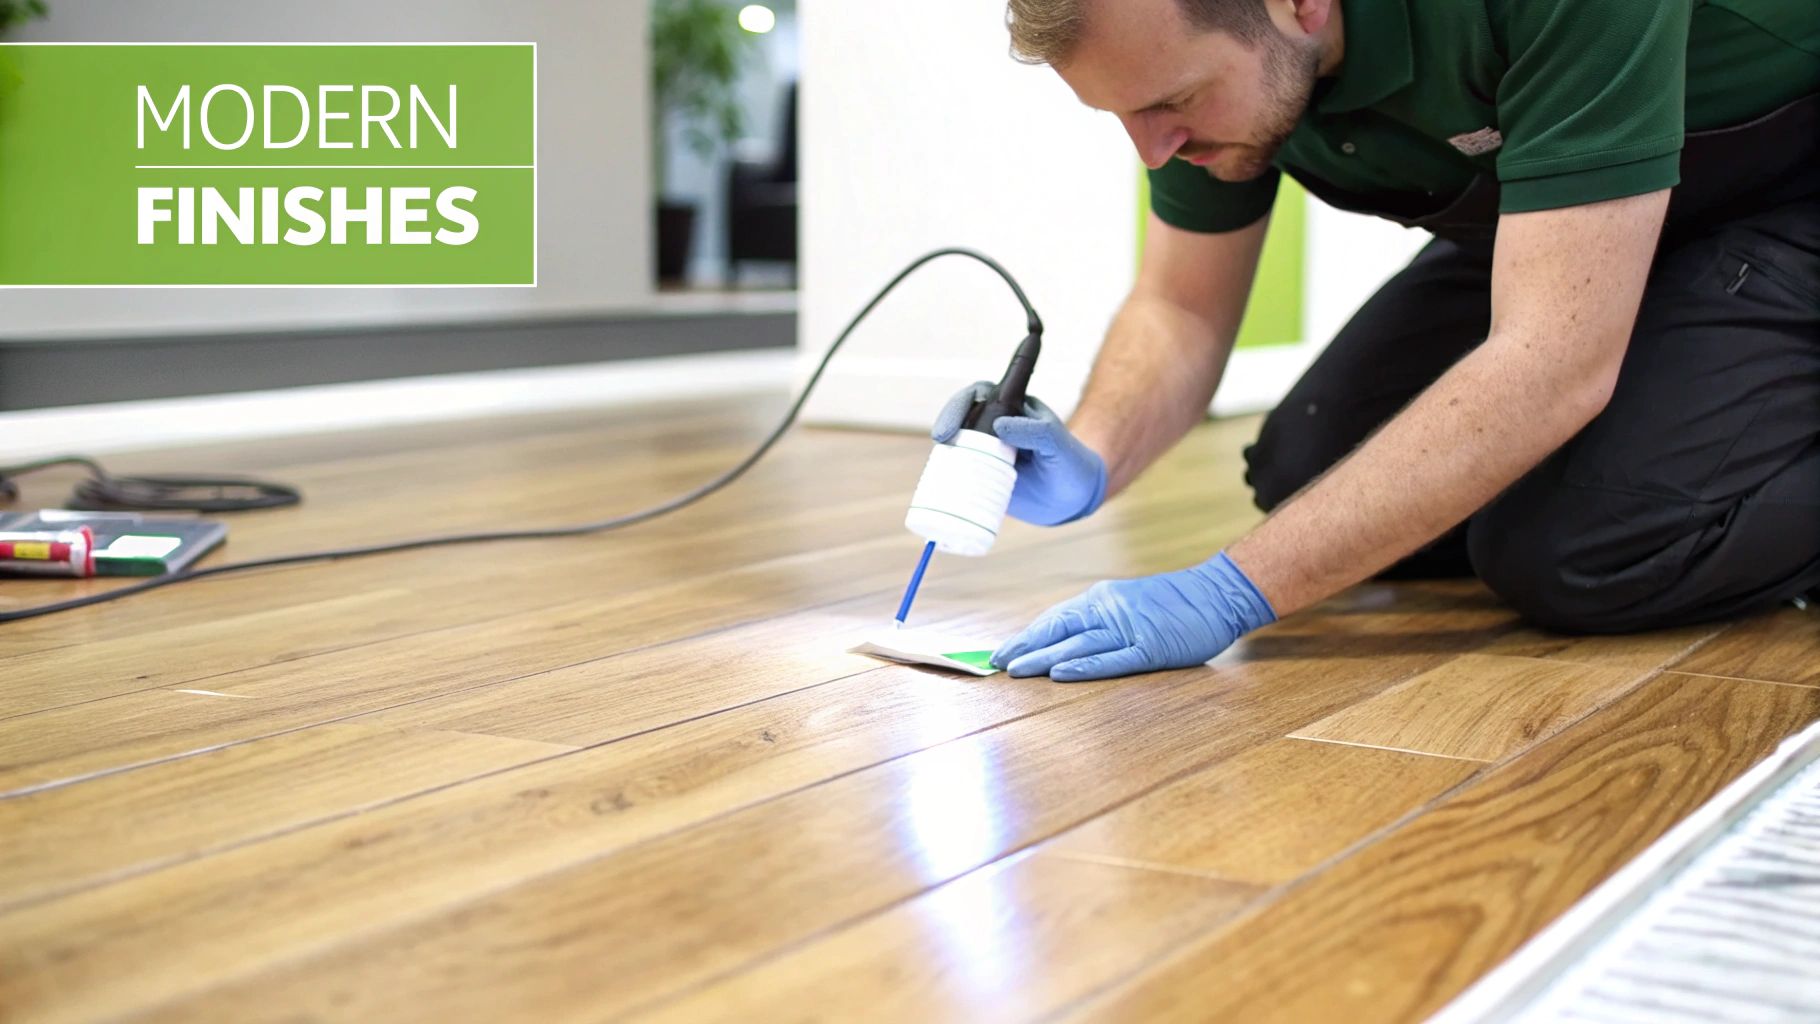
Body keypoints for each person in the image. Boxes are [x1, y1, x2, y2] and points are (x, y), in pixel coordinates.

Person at [934, 0, 1820, 682]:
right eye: (1122, 117)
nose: (1154, 153)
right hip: (1571, 225)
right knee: (1305, 466)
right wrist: (1090, 455)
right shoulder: (1224, 73)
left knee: (1578, 551)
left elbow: (1555, 359)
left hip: (1786, 193)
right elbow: (1181, 306)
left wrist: (1232, 590)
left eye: (1172, 104)